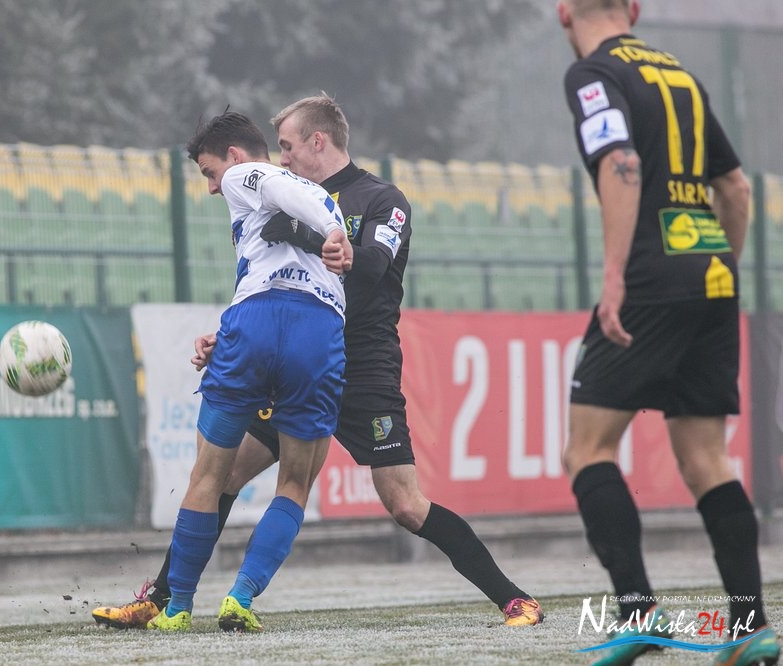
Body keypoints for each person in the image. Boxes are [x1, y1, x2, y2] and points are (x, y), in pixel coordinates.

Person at [93, 94, 544, 631]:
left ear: (318, 140)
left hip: (362, 366)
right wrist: (226, 335)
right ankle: (163, 598)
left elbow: (375, 264)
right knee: (226, 474)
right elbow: (272, 281)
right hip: (298, 361)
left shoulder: (382, 198)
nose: (280, 158)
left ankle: (516, 599)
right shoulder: (281, 192)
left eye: (287, 146)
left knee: (405, 504)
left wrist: (331, 244)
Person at [556, 1, 778, 665]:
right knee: (706, 459)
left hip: (649, 276)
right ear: (633, 8)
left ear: (564, 12)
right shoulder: (681, 75)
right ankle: (750, 628)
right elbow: (735, 189)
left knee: (586, 450)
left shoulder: (594, 74)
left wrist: (615, 277)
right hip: (711, 270)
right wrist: (717, 271)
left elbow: (620, 161)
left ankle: (639, 614)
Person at [142, 110, 352, 633]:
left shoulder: (248, 175)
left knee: (207, 476)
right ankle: (240, 598)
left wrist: (332, 230)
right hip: (316, 329)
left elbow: (290, 192)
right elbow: (281, 267)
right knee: (295, 483)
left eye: (209, 172)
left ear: (233, 157)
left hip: (257, 325)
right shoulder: (305, 199)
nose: (213, 186)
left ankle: (177, 607)